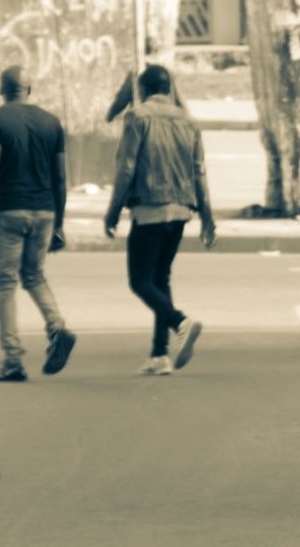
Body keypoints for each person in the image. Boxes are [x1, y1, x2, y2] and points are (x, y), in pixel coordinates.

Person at [0, 66, 77, 381]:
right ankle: (56, 327)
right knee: (34, 276)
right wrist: (60, 224)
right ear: (30, 88)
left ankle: (12, 360)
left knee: (5, 285)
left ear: (2, 90)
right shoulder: (51, 122)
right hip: (45, 211)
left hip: (9, 211)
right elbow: (61, 178)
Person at [104, 65, 214, 376]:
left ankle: (180, 322)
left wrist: (112, 211)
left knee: (140, 281)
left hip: (150, 209)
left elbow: (126, 168)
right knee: (160, 279)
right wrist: (208, 218)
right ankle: (159, 354)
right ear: (168, 88)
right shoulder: (188, 120)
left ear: (142, 89)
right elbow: (199, 171)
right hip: (181, 212)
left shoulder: (137, 117)